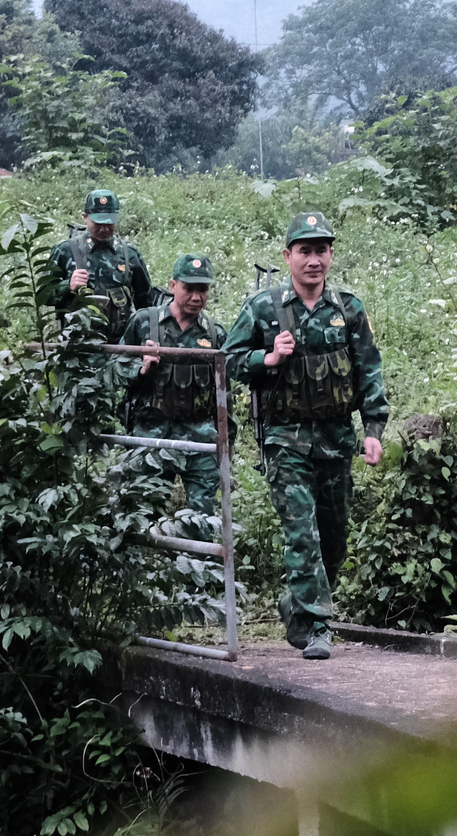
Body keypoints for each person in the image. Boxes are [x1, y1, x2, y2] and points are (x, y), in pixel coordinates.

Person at [223, 212, 388, 659]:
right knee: (303, 532)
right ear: (288, 256)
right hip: (285, 438)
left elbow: (369, 370)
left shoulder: (348, 308)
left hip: (336, 438)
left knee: (334, 539)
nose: (313, 260)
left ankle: (296, 604)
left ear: (330, 255)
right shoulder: (264, 307)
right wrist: (267, 358)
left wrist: (373, 429)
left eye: (321, 251)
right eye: (304, 251)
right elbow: (228, 360)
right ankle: (318, 626)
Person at [120, 254, 227, 541]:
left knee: (202, 518)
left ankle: (197, 578)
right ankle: (145, 576)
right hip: (151, 435)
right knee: (144, 513)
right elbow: (115, 367)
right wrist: (140, 366)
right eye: (188, 288)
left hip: (200, 438)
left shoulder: (215, 333)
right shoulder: (144, 323)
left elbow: (230, 380)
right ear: (172, 285)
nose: (196, 296)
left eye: (202, 290)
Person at [51, 188, 153, 340]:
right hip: (75, 349)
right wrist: (68, 286)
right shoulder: (65, 251)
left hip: (120, 347)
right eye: (98, 223)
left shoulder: (130, 255)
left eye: (110, 223)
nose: (104, 229)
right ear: (85, 217)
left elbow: (146, 303)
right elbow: (43, 296)